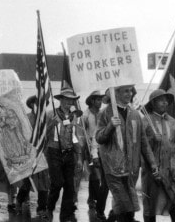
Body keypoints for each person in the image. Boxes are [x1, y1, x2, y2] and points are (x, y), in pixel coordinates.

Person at [95, 85, 159, 222]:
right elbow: (99, 138)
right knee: (123, 203)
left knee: (128, 201)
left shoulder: (135, 114)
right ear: (116, 93)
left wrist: (153, 163)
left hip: (132, 167)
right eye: (126, 91)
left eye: (131, 91)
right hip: (113, 167)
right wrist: (110, 127)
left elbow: (143, 142)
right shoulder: (105, 113)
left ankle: (115, 218)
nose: (130, 94)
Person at [141, 89, 175, 222]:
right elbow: (142, 147)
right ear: (153, 103)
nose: (165, 102)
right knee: (151, 202)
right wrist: (152, 139)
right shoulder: (146, 121)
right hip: (153, 170)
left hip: (173, 169)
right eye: (161, 100)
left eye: (166, 100)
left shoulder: (172, 121)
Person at [45, 87, 83, 222]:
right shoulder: (51, 114)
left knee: (70, 185)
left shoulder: (75, 117)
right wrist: (51, 124)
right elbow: (42, 135)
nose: (69, 102)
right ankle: (49, 207)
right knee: (57, 182)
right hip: (54, 152)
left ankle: (65, 215)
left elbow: (76, 136)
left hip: (69, 152)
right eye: (66, 99)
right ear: (60, 100)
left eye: (71, 100)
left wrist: (78, 156)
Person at [16, 95, 50, 217]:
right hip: (29, 154)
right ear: (31, 105)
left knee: (44, 183)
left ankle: (41, 208)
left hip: (43, 155)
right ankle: (19, 201)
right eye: (36, 103)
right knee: (27, 182)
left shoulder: (47, 118)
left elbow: (49, 135)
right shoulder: (26, 118)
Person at [82, 90, 108, 221]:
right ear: (92, 101)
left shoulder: (103, 113)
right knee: (96, 175)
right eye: (97, 99)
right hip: (90, 148)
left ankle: (91, 198)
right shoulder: (85, 115)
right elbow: (83, 133)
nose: (100, 101)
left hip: (102, 146)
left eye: (101, 99)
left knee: (96, 175)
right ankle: (96, 200)